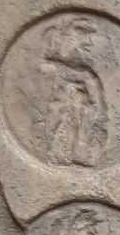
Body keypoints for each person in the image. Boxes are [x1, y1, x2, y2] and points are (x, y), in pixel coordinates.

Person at [39, 17, 106, 164]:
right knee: (60, 119)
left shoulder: (84, 60)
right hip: (61, 97)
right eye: (81, 33)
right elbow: (46, 65)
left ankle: (75, 155)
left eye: (88, 35)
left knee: (77, 120)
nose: (88, 42)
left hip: (77, 99)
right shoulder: (53, 41)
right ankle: (54, 153)